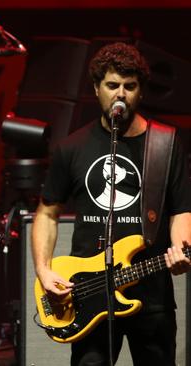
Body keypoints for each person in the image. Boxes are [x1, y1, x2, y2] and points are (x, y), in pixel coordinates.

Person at [31, 42, 191, 365]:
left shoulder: (165, 144)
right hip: (86, 294)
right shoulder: (71, 147)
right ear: (96, 88)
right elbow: (47, 213)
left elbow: (181, 209)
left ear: (140, 92)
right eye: (112, 85)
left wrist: (181, 248)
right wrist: (44, 271)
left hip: (151, 295)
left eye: (130, 87)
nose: (121, 94)